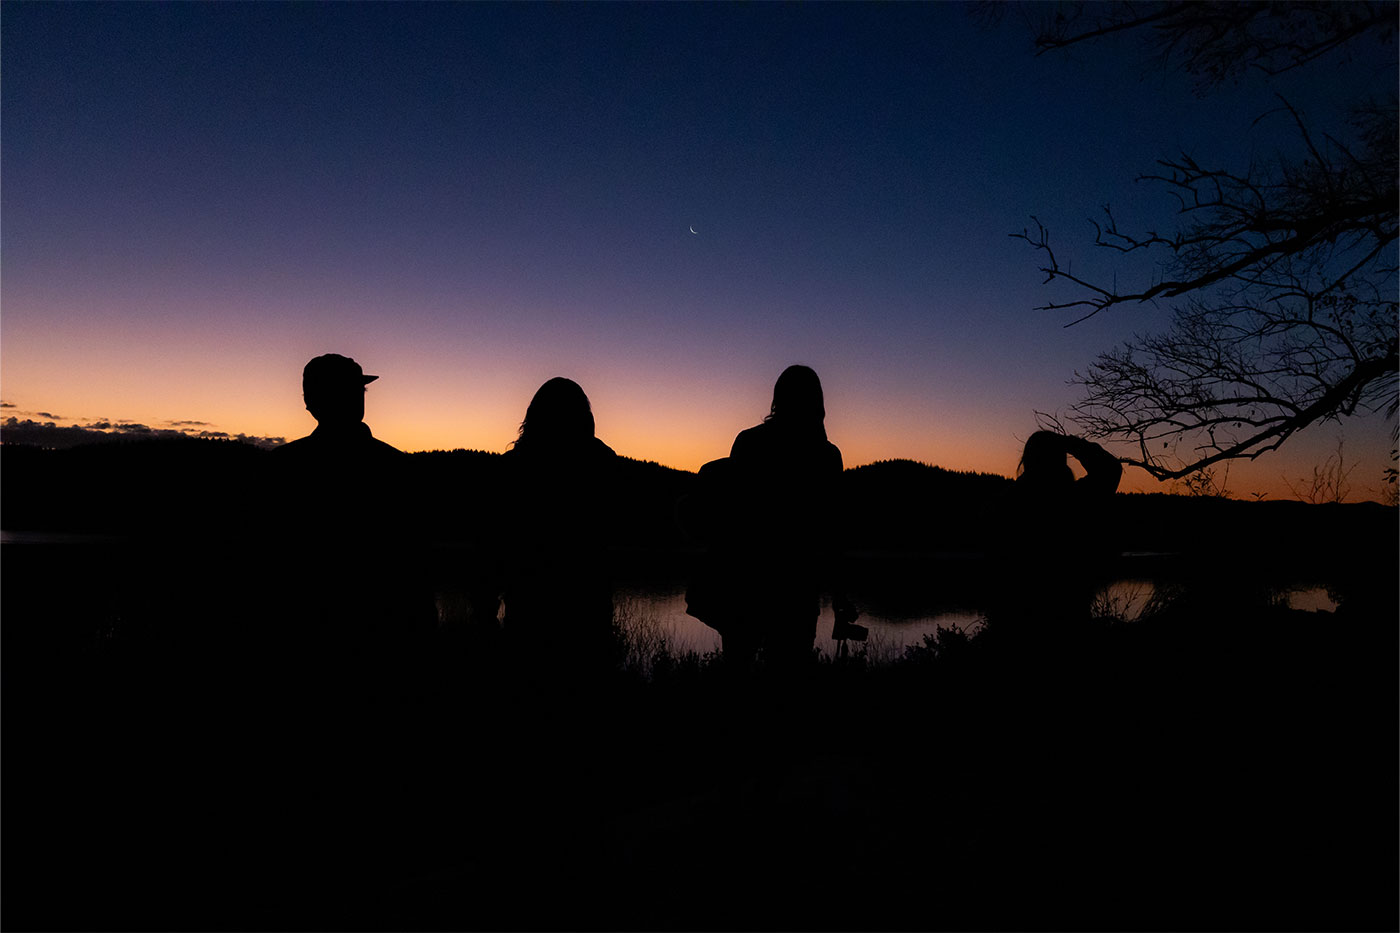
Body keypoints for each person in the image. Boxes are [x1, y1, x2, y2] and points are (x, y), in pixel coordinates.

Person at [685, 365, 857, 673]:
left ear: (777, 398)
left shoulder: (749, 442)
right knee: (788, 673)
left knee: (738, 668)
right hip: (797, 590)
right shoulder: (827, 456)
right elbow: (833, 532)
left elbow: (731, 513)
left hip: (744, 583)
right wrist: (840, 594)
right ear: (818, 403)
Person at [496, 377, 620, 677]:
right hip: (587, 607)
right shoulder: (602, 464)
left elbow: (494, 543)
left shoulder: (513, 468)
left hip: (528, 606)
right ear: (585, 417)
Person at [991, 430, 1123, 635]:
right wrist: (1072, 444)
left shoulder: (1007, 504)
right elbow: (1110, 469)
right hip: (1067, 621)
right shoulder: (1074, 502)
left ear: (1027, 460)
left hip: (1014, 625)